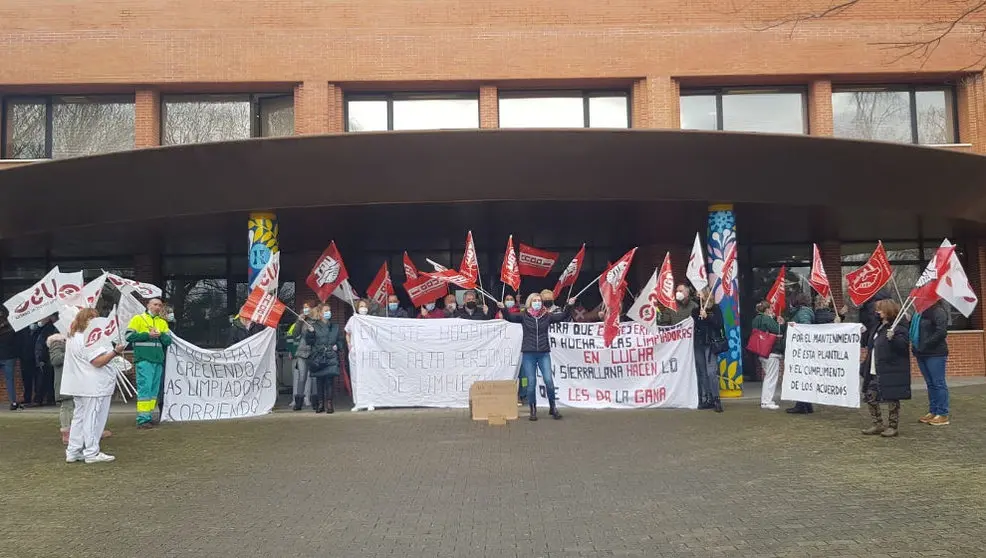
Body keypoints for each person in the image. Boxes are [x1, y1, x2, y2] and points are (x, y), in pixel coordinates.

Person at [62, 308, 127, 464]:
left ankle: (73, 450)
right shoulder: (88, 338)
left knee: (79, 418)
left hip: (79, 384)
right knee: (93, 418)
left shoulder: (72, 337)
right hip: (94, 385)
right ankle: (91, 452)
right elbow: (97, 362)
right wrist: (115, 352)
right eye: (94, 319)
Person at [499, 293, 575, 421]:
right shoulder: (524, 315)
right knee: (531, 383)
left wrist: (569, 305)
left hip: (543, 353)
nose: (537, 302)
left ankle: (553, 407)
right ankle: (533, 410)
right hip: (529, 353)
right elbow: (510, 317)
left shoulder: (547, 316)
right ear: (530, 302)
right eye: (534, 300)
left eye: (539, 300)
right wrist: (503, 308)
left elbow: (562, 316)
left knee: (549, 381)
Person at [861, 299, 911, 437]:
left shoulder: (899, 328)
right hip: (874, 367)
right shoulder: (878, 326)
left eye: (880, 309)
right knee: (870, 395)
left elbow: (903, 347)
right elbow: (869, 342)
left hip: (890, 369)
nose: (877, 312)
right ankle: (877, 423)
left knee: (892, 398)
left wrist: (893, 338)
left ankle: (893, 426)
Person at [125, 297, 172, 429]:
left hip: (157, 359)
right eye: (155, 304)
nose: (158, 307)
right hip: (144, 359)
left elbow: (168, 341)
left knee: (153, 390)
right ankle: (143, 418)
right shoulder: (138, 319)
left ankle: (148, 416)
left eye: (160, 305)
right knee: (145, 389)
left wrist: (160, 335)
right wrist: (148, 335)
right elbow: (129, 336)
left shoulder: (162, 322)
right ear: (148, 305)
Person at [911, 299, 950, 426]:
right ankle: (933, 411)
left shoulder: (938, 311)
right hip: (921, 352)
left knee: (938, 383)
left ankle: (942, 413)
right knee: (930, 383)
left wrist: (926, 344)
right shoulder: (919, 313)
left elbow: (941, 332)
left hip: (935, 353)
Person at [306, 304, 346, 414]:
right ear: (320, 313)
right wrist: (310, 333)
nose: (329, 312)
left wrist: (338, 346)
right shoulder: (314, 326)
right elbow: (309, 342)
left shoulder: (335, 327)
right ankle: (320, 404)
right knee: (319, 381)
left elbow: (340, 340)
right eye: (326, 310)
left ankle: (329, 403)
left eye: (330, 310)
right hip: (318, 356)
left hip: (331, 356)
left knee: (329, 381)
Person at [692, 288, 725, 412]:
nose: (697, 294)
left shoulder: (715, 309)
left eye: (699, 292)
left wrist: (707, 317)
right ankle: (707, 398)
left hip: (710, 344)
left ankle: (716, 398)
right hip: (698, 344)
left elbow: (719, 324)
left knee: (711, 372)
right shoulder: (695, 310)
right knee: (702, 372)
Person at [785, 292, 817, 415]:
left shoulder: (803, 313)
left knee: (801, 377)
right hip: (800, 350)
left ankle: (801, 405)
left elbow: (805, 328)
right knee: (803, 377)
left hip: (802, 350)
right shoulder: (802, 312)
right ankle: (806, 405)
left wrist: (796, 327)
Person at [751, 300, 784, 410]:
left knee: (768, 376)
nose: (772, 310)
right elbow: (777, 330)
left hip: (761, 351)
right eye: (770, 308)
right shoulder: (766, 319)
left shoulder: (756, 319)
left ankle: (765, 400)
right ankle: (766, 401)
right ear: (767, 310)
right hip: (771, 352)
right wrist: (777, 322)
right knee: (771, 377)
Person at [288, 302, 316, 411]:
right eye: (304, 308)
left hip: (313, 352)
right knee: (302, 376)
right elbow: (294, 334)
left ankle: (312, 400)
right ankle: (298, 402)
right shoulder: (300, 320)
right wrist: (299, 322)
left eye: (307, 308)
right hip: (301, 352)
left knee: (313, 377)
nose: (305, 310)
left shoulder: (315, 320)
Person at [33, 315, 58, 406]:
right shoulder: (47, 329)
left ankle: (42, 399)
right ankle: (48, 398)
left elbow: (39, 345)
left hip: (47, 357)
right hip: (47, 357)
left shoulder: (46, 329)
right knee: (48, 379)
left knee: (46, 379)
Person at [0, 308, 20, 410]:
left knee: (10, 380)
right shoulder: (11, 328)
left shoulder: (10, 329)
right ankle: (13, 402)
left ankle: (13, 402)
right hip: (9, 356)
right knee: (10, 380)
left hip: (8, 356)